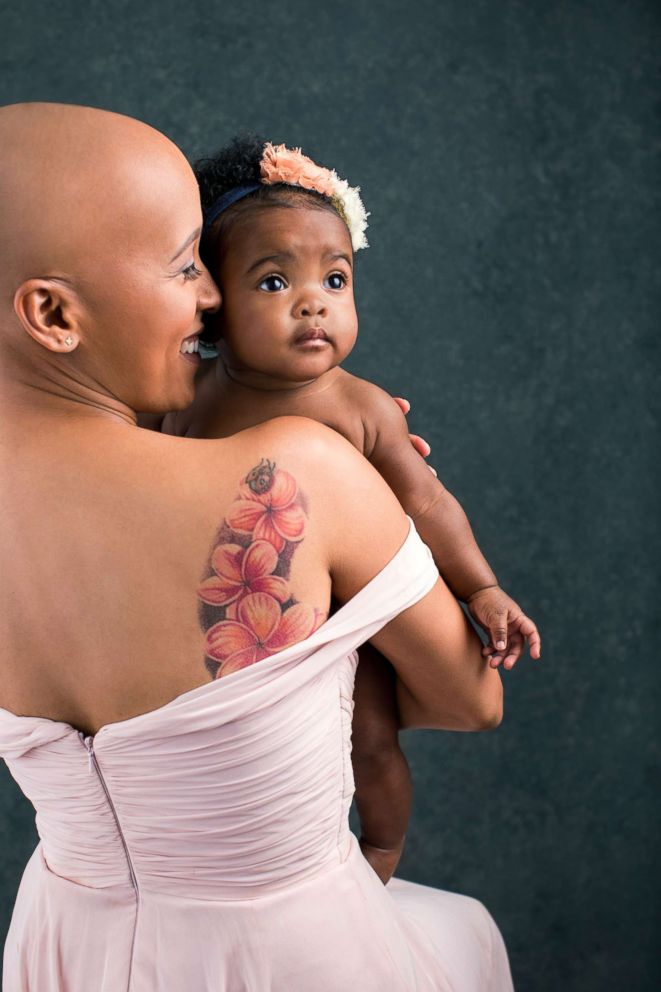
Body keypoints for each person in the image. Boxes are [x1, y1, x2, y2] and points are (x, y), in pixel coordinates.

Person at [0, 102, 513, 991]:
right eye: (182, 266)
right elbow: (473, 701)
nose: (210, 297)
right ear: (51, 313)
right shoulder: (298, 476)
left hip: (56, 952)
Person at [160, 134, 541, 882]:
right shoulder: (184, 400)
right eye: (272, 284)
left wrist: (481, 587)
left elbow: (426, 500)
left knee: (366, 738)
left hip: (335, 627)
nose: (313, 302)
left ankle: (379, 849)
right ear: (212, 304)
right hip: (225, 622)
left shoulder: (360, 408)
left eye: (335, 280)